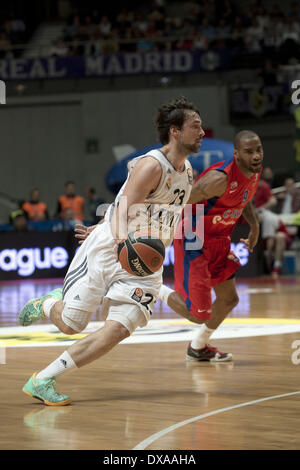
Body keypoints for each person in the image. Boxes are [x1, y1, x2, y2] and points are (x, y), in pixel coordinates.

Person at [18, 96, 205, 405]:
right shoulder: (150, 165)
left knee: (119, 329)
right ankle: (50, 303)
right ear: (175, 131)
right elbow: (122, 210)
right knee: (70, 325)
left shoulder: (187, 174)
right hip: (111, 250)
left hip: (146, 260)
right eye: (195, 126)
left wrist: (143, 261)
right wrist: (114, 236)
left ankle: (43, 379)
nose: (201, 132)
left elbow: (142, 211)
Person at [158, 130, 262, 362]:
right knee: (197, 314)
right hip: (194, 239)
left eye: (258, 150)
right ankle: (155, 287)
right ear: (236, 154)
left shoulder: (254, 173)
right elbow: (179, 200)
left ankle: (198, 347)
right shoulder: (220, 179)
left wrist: (254, 226)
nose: (256, 156)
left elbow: (244, 197)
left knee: (229, 299)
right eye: (249, 152)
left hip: (219, 239)